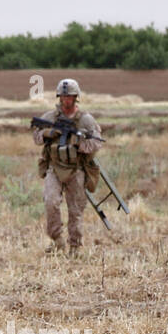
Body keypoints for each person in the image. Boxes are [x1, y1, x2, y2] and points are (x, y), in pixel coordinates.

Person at [32, 78, 102, 255]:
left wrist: (81, 144)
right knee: (51, 202)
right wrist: (48, 133)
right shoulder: (50, 117)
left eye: (69, 96)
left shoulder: (85, 120)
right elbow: (36, 136)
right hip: (54, 168)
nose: (66, 100)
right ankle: (57, 239)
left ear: (76, 97)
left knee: (76, 209)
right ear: (59, 97)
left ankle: (75, 246)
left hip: (76, 169)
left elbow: (97, 143)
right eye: (63, 96)